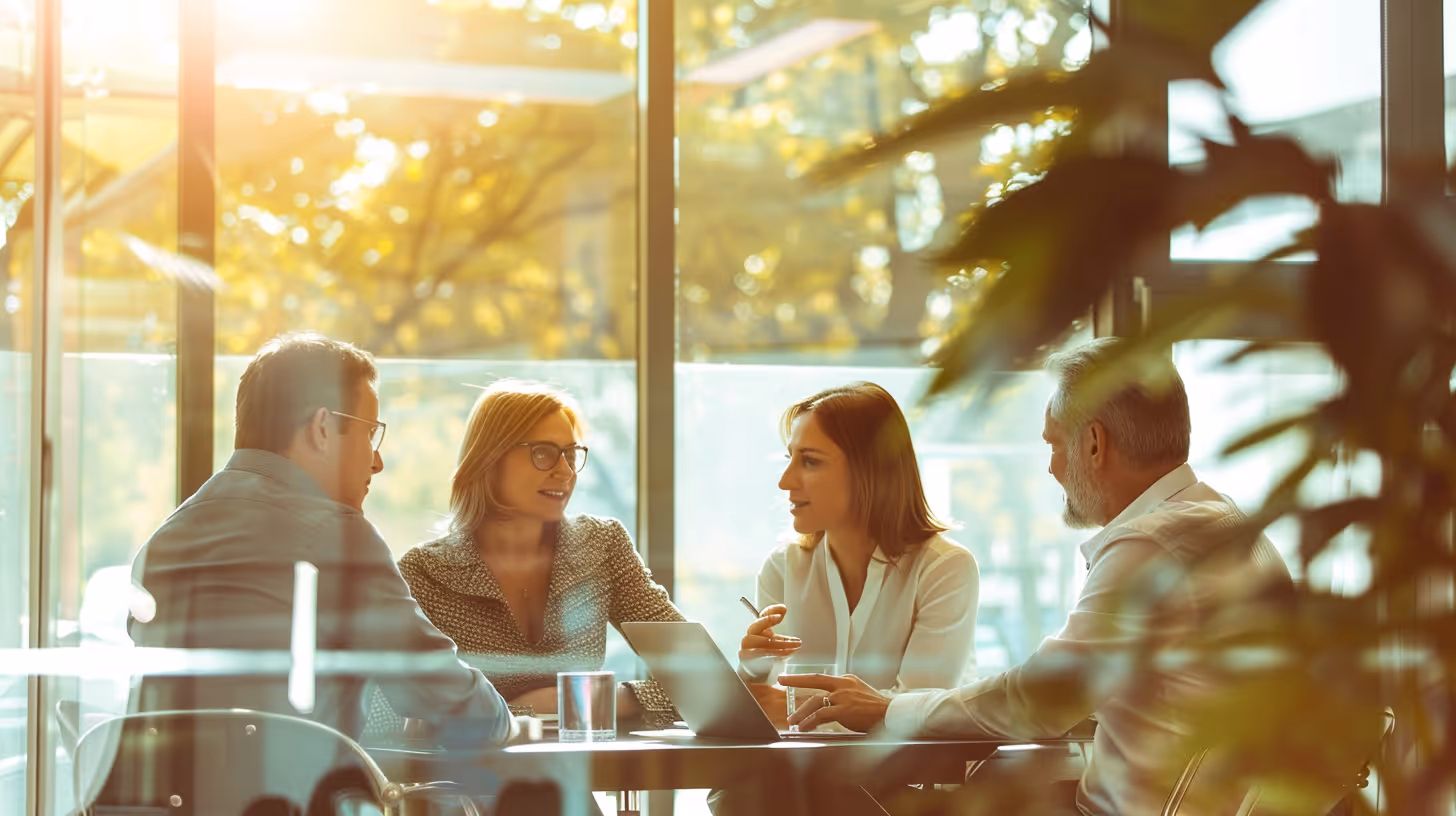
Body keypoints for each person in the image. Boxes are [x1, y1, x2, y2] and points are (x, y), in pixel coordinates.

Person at [779, 338, 1294, 815]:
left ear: (1094, 444)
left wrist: (888, 709)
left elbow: (1040, 701)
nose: (1051, 468)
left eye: (1054, 444)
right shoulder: (1228, 526)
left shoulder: (1149, 546)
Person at [129, 332, 528, 749]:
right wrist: (512, 721)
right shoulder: (336, 537)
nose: (377, 461)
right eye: (369, 432)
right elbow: (444, 696)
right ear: (322, 427)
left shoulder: (162, 543)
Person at [382, 379, 684, 730]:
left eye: (571, 454)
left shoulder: (603, 545)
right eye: (543, 453)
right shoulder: (423, 574)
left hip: (576, 777)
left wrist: (581, 699)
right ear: (490, 459)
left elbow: (701, 680)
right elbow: (399, 718)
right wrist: (523, 713)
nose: (566, 471)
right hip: (464, 782)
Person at [737, 382, 980, 725]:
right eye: (789, 458)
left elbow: (918, 717)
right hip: (804, 774)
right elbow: (760, 707)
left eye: (809, 461)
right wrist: (752, 667)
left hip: (911, 778)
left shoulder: (945, 569)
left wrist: (793, 707)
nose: (785, 481)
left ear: (872, 469)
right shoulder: (783, 567)